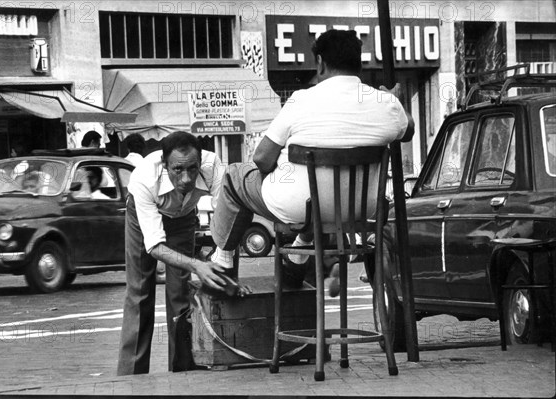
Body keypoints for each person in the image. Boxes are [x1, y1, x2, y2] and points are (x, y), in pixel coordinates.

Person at [208, 29, 414, 287]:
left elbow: (261, 159)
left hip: (300, 209)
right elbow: (409, 131)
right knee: (313, 193)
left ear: (320, 63)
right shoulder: (386, 103)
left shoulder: (300, 100)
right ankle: (296, 257)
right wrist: (397, 102)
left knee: (234, 175)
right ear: (358, 63)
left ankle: (223, 260)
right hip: (362, 210)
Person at [117, 131, 234, 375]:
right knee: (140, 291)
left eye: (192, 168)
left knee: (180, 293)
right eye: (177, 170)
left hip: (182, 218)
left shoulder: (213, 168)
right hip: (142, 218)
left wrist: (222, 260)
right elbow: (155, 247)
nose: (186, 179)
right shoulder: (144, 178)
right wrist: (197, 265)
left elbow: (227, 216)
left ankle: (182, 369)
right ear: (164, 164)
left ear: (200, 162)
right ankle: (131, 375)